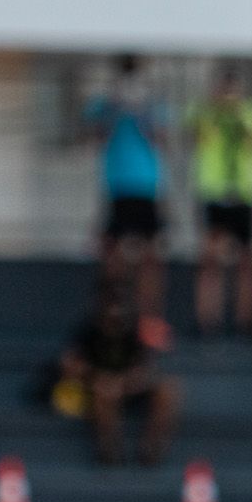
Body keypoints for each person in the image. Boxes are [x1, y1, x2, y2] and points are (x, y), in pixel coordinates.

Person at [185, 64, 252, 339]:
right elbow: (196, 139)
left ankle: (246, 319)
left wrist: (240, 115)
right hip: (214, 191)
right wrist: (217, 114)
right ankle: (207, 320)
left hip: (246, 192)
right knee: (210, 258)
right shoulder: (204, 111)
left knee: (248, 259)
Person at [84, 55, 168, 320]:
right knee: (112, 252)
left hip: (147, 186)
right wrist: (116, 106)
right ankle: (112, 314)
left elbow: (161, 139)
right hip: (117, 185)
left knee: (151, 255)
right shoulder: (105, 104)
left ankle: (149, 316)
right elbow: (96, 137)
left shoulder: (153, 104)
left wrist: (141, 110)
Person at [66, 277, 178, 467]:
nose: (115, 311)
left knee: (170, 389)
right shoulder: (88, 331)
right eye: (111, 303)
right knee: (105, 392)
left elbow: (147, 368)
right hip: (97, 391)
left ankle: (151, 449)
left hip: (128, 389)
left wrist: (124, 383)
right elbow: (70, 364)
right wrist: (97, 378)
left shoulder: (135, 330)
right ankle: (110, 452)